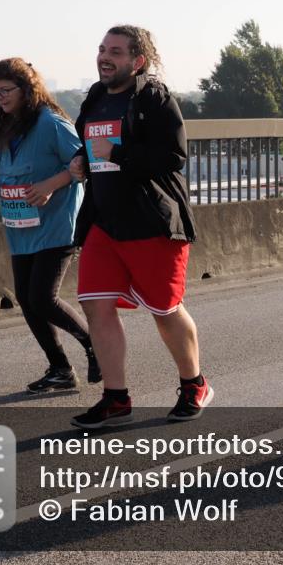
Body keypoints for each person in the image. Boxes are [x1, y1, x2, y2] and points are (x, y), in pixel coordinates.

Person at [67, 25, 205, 429]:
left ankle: (193, 384)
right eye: (102, 49)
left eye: (116, 52)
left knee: (164, 310)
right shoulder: (95, 97)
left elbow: (173, 156)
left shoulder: (153, 98)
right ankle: (116, 398)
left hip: (150, 221)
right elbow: (89, 144)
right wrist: (81, 160)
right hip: (104, 220)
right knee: (95, 304)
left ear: (138, 60)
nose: (104, 57)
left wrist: (118, 153)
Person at [0, 58, 100, 393]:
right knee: (27, 300)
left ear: (26, 89)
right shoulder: (10, 124)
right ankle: (60, 368)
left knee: (43, 298)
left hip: (56, 224)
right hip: (21, 226)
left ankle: (95, 345)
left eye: (6, 90)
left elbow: (81, 164)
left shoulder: (51, 123)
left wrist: (49, 186)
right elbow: (16, 167)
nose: (0, 97)